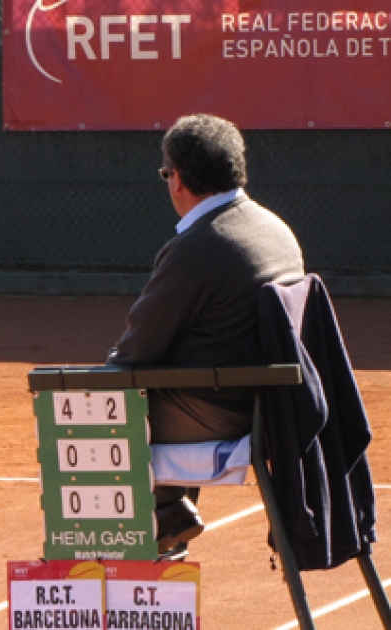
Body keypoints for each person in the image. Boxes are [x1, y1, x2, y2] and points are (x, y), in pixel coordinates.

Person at [105, 114, 305, 554]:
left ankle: (117, 550)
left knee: (96, 405)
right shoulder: (277, 229)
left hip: (223, 414)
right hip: (273, 407)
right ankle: (167, 515)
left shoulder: (196, 248)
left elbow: (136, 350)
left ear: (177, 179)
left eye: (166, 174)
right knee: (155, 381)